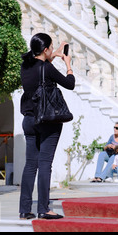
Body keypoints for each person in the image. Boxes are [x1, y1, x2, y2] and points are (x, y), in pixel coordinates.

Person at [19, 33, 75, 220]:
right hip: (48, 121)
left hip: (28, 120)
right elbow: (70, 84)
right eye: (51, 48)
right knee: (45, 165)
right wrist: (68, 64)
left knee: (30, 165)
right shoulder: (47, 69)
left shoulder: (25, 66)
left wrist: (54, 53)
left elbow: (41, 66)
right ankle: (44, 208)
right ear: (45, 50)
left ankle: (25, 209)